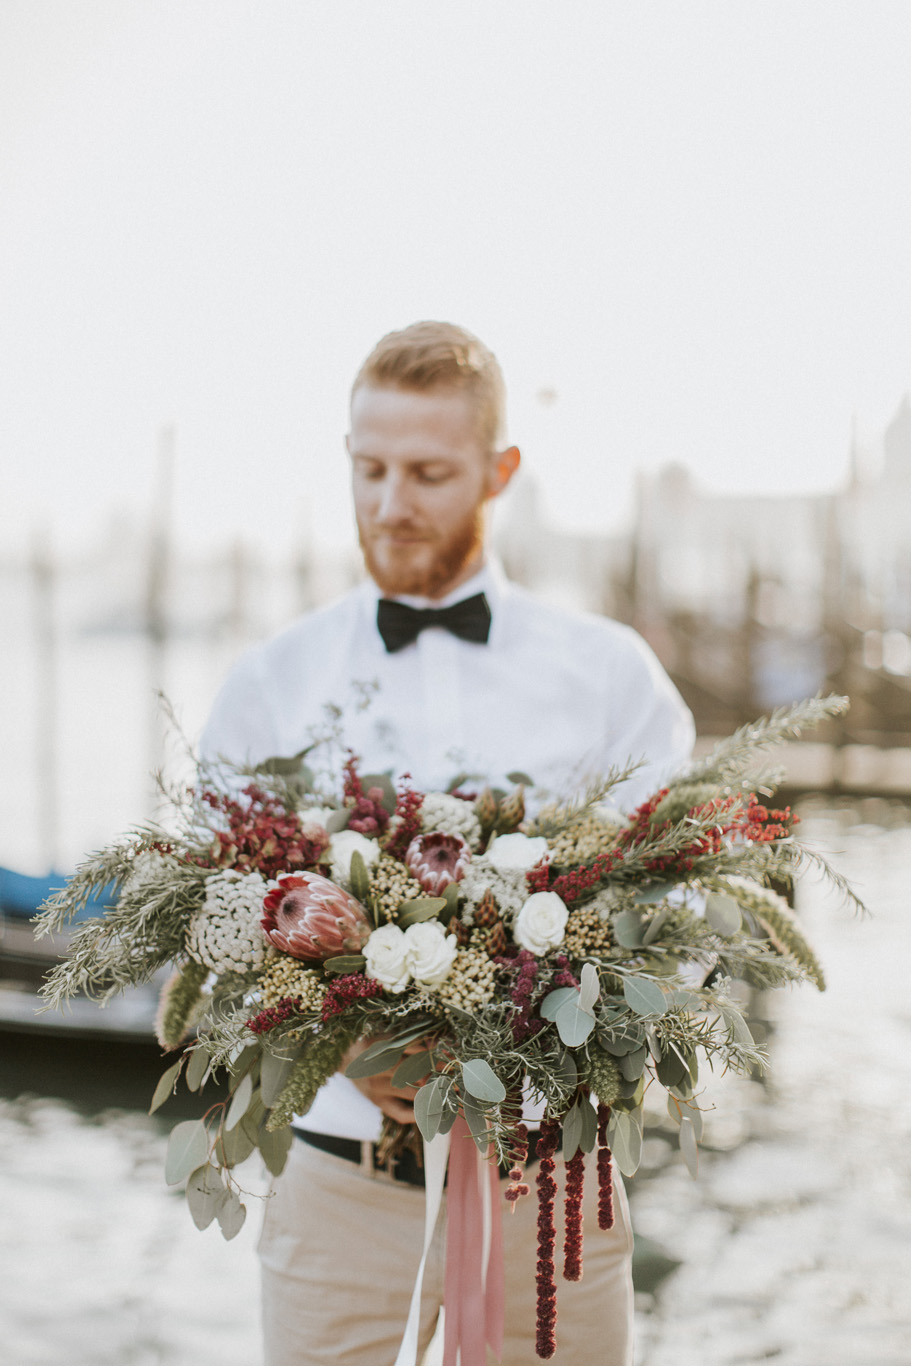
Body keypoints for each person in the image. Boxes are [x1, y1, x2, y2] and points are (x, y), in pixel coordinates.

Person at [200, 320, 695, 1365]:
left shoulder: (607, 676)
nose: (389, 503)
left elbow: (677, 906)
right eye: (368, 468)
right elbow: (208, 909)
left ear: (498, 470)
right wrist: (335, 1033)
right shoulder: (269, 681)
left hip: (549, 1193)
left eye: (426, 472)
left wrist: (547, 1015)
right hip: (333, 1187)